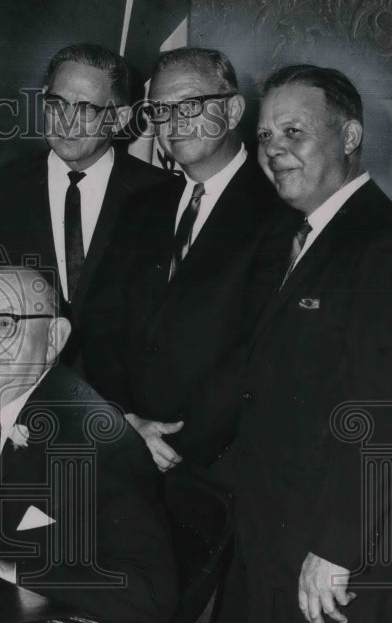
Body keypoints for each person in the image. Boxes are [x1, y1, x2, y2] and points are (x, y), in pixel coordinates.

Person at [203, 65, 392, 623]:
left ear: (351, 137)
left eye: (294, 133)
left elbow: (388, 419)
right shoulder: (297, 239)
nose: (274, 151)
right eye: (265, 137)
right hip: (277, 539)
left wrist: (335, 552)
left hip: (341, 564)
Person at [0, 267, 178, 623]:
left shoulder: (98, 440)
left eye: (4, 324)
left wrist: (11, 570)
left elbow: (152, 593)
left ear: (53, 338)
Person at [82, 47, 284, 469]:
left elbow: (258, 358)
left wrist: (175, 444)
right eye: (159, 110)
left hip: (217, 465)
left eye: (190, 105)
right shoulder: (141, 206)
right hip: (126, 445)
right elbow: (100, 323)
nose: (172, 123)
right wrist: (123, 420)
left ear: (231, 111)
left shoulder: (280, 212)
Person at [0, 44, 171, 367]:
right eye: (56, 103)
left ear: (119, 118)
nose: (67, 120)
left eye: (86, 108)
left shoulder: (164, 194)